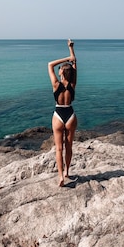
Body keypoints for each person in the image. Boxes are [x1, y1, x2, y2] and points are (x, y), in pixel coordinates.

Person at [48, 39, 77, 187]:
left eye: (60, 69)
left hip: (58, 114)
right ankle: (67, 171)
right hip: (70, 114)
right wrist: (71, 50)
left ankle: (60, 176)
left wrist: (67, 57)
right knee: (69, 146)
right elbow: (74, 64)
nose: (58, 70)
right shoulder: (72, 84)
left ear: (62, 72)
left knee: (59, 148)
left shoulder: (56, 84)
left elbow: (50, 65)